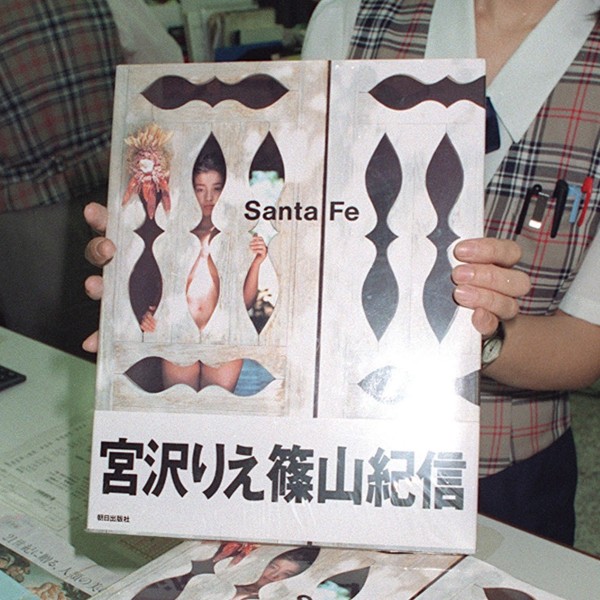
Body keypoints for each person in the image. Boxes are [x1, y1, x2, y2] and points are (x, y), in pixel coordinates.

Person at [301, 0, 600, 545]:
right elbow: (295, 212)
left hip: (505, 471)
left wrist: (480, 334)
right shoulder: (354, 15)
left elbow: (585, 341)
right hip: (333, 437)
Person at [0, 0, 182, 358]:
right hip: (115, 188)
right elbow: (166, 65)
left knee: (41, 357)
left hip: (24, 215)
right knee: (129, 334)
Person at [133, 147, 268, 393]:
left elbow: (245, 302)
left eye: (216, 188)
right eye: (200, 189)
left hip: (223, 336)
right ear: (189, 191)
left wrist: (257, 262)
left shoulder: (237, 238)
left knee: (216, 408)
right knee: (178, 404)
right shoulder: (174, 237)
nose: (209, 197)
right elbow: (165, 290)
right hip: (178, 333)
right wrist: (152, 314)